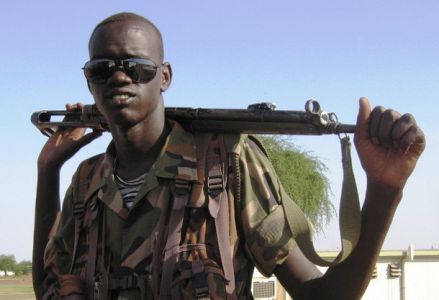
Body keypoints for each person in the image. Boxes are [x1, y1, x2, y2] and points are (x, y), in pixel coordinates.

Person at [33, 12, 426, 300]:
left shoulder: (227, 162)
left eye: (136, 67)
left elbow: (323, 296)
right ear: (88, 80)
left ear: (165, 76)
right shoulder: (87, 181)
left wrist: (384, 190)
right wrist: (47, 171)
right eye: (102, 69)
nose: (119, 77)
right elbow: (47, 285)